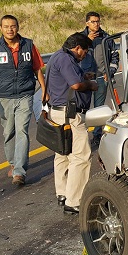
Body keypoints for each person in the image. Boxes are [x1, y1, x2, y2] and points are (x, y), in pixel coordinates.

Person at [0, 15, 45, 186]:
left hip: (25, 94)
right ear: (0, 28)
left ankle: (19, 171)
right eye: (6, 26)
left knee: (22, 130)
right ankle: (12, 162)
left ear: (18, 27)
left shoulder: (28, 45)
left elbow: (38, 68)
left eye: (13, 26)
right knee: (9, 132)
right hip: (4, 97)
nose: (10, 29)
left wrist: (45, 90)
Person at [45, 33, 98, 214]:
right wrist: (91, 84)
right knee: (81, 157)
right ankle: (75, 200)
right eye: (85, 51)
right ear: (77, 48)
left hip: (58, 112)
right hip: (70, 114)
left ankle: (63, 193)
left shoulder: (56, 56)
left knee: (62, 154)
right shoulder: (67, 59)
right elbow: (75, 85)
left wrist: (84, 75)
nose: (85, 55)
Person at [80, 12, 119, 147]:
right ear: (87, 23)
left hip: (102, 78)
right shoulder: (80, 38)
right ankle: (81, 135)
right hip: (84, 80)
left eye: (98, 21)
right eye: (93, 22)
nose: (96, 24)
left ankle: (97, 134)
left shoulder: (106, 38)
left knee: (99, 108)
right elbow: (72, 54)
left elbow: (115, 55)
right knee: (83, 108)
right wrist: (87, 40)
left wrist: (111, 71)